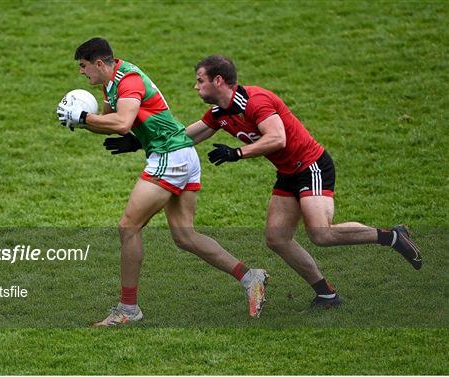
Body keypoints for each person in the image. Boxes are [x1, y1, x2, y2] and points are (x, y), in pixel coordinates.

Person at [105, 55, 423, 309]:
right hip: (287, 174)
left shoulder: (256, 101)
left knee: (321, 234)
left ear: (218, 80)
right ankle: (326, 294)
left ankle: (391, 237)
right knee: (276, 238)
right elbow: (188, 135)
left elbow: (277, 137)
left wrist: (238, 153)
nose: (195, 87)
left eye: (199, 80)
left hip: (310, 166)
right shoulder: (220, 112)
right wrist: (141, 142)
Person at [57, 39, 268, 327]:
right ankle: (249, 276)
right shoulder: (110, 83)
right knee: (185, 236)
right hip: (181, 153)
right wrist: (81, 122)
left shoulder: (127, 80)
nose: (82, 73)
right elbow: (106, 120)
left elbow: (121, 123)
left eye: (83, 66)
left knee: (128, 227)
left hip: (170, 156)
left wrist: (84, 116)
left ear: (98, 63)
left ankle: (128, 309)